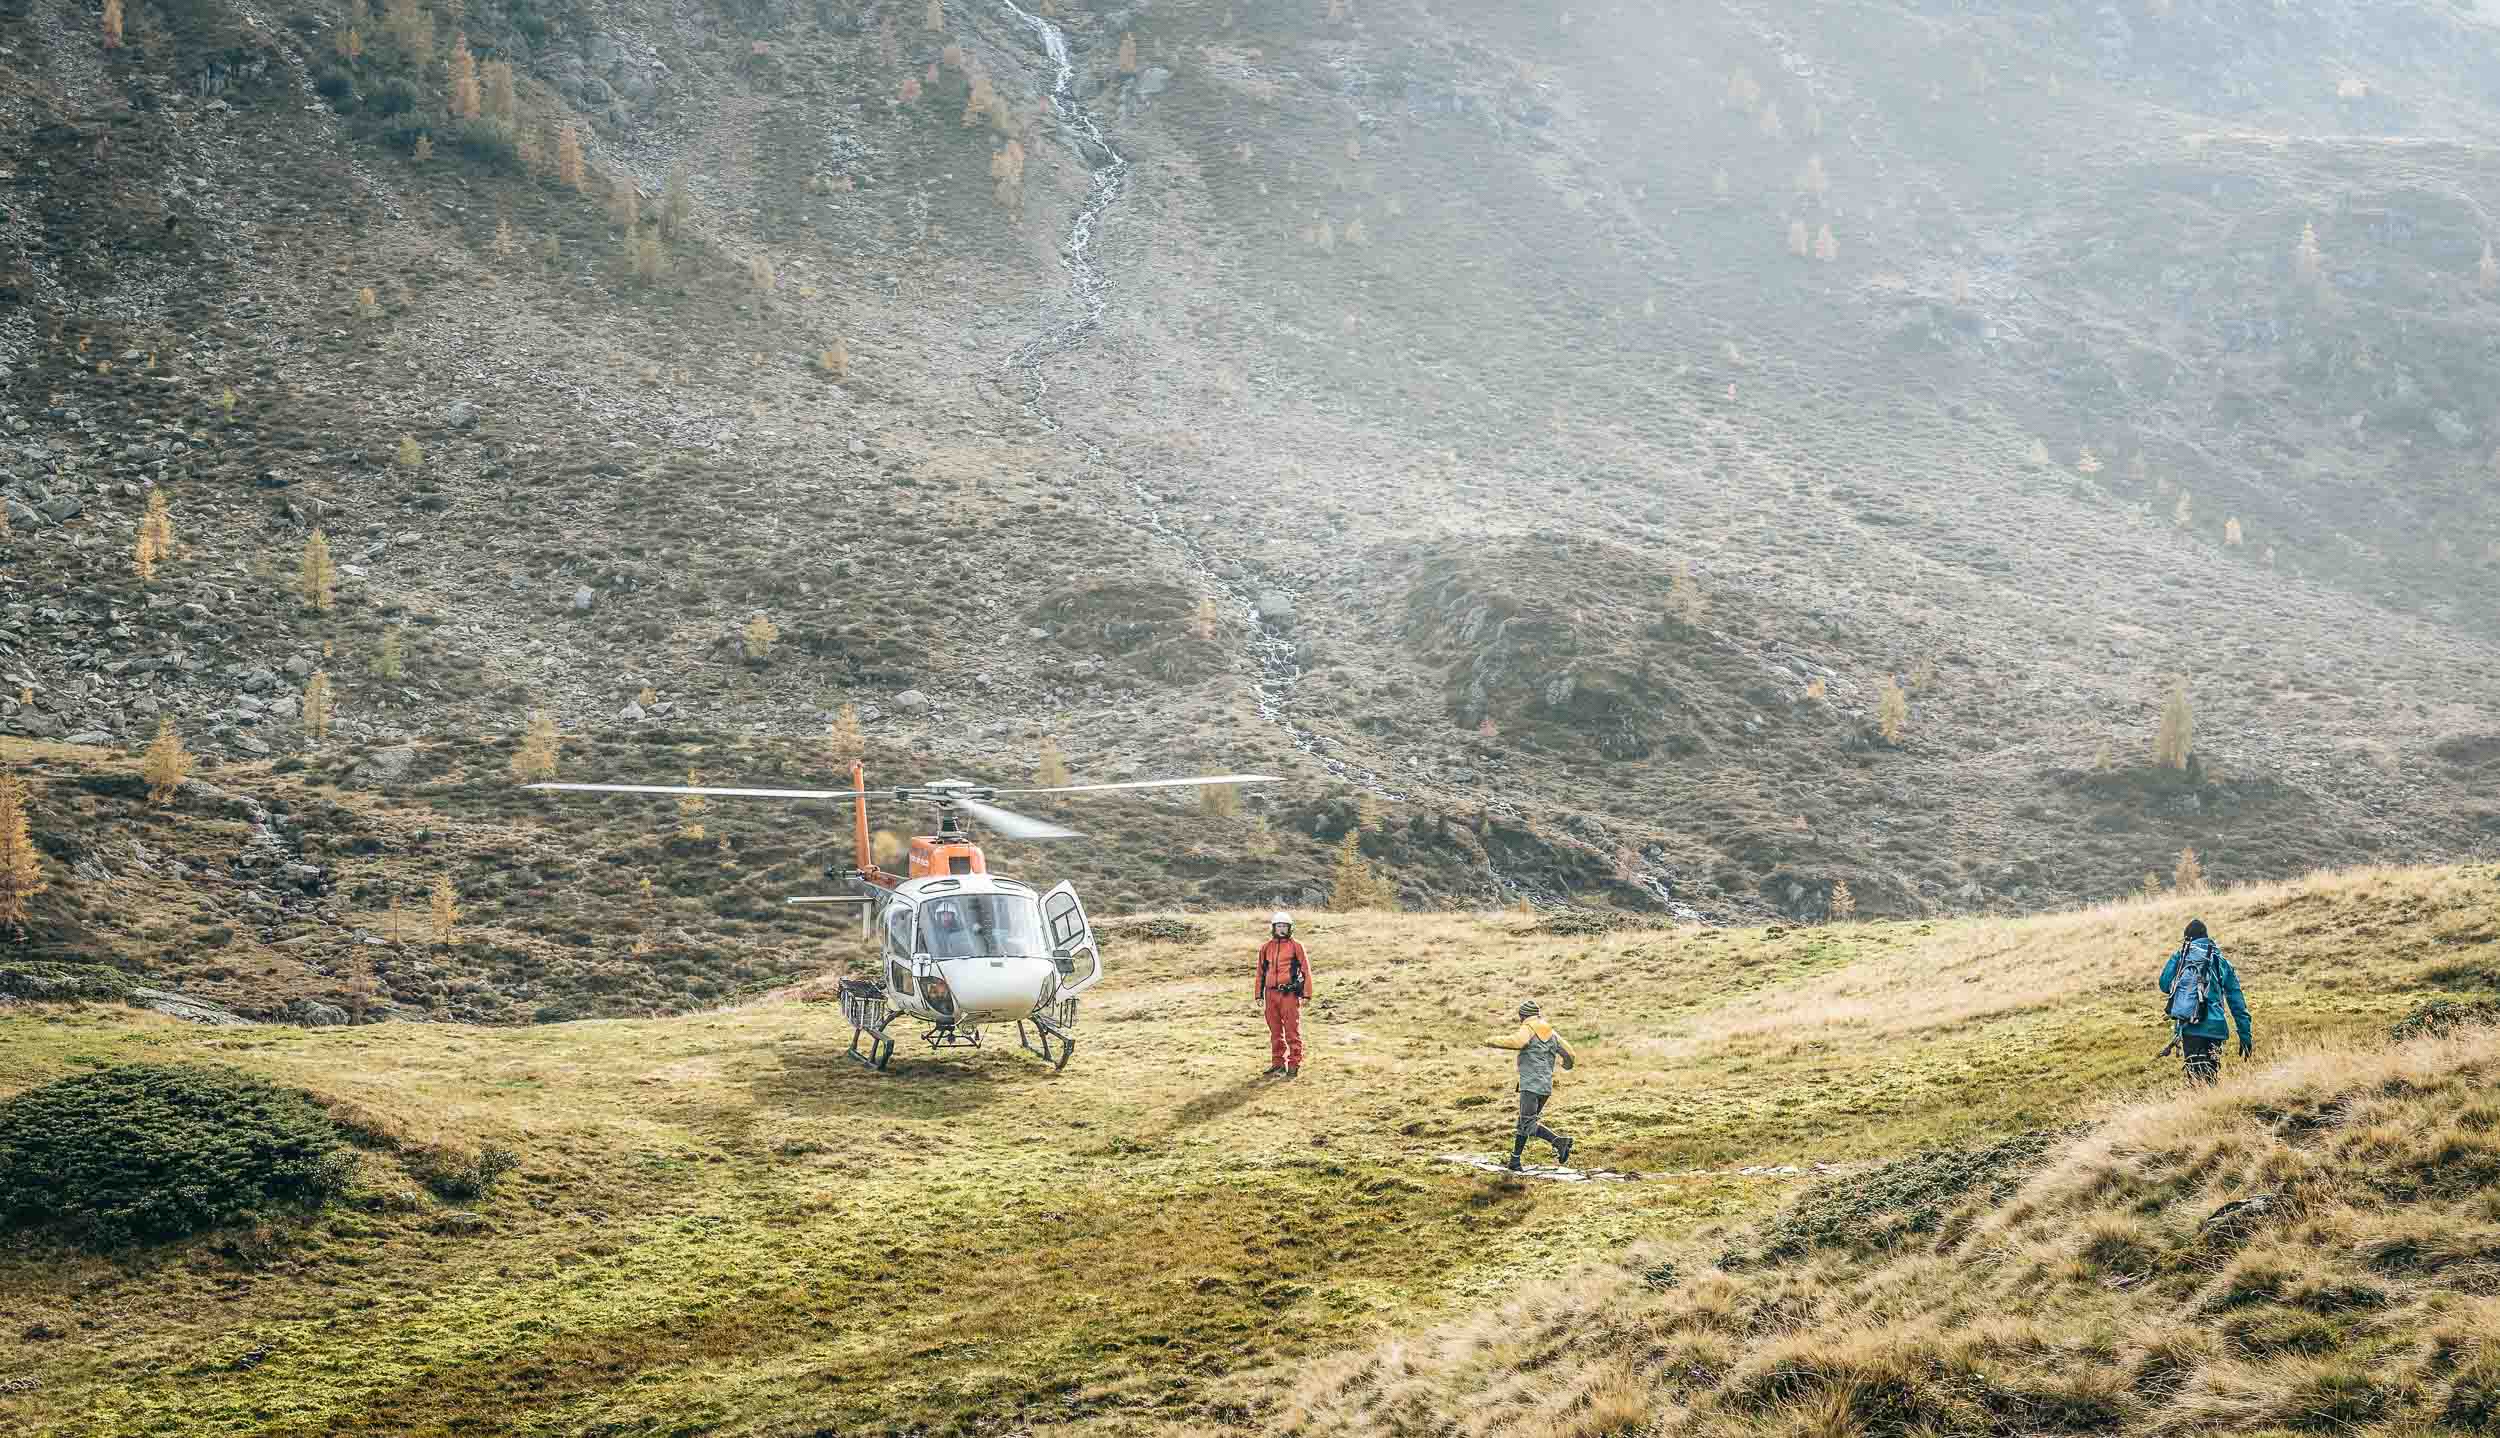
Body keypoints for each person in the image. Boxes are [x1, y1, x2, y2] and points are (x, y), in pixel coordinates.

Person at [1487, 1001, 1576, 1171]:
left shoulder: (1528, 1028)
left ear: (1523, 1015)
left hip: (1530, 1085)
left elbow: (1517, 1042)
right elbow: (1570, 1052)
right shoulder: (1550, 1031)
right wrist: (1567, 1064)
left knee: (1527, 1124)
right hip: (1545, 1086)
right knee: (1524, 1123)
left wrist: (1491, 1041)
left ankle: (1559, 1142)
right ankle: (1515, 1160)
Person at [2160, 918, 2251, 1084]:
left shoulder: (2181, 957)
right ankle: (2211, 1104)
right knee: (2209, 1073)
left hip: (2190, 1027)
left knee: (2196, 1077)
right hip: (2215, 1029)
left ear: (2187, 939)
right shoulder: (2220, 961)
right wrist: (2245, 1034)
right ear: (2207, 937)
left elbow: (2164, 985)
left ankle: (2203, 1104)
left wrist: (2177, 957)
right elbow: (2237, 1001)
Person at [1255, 911, 1312, 1078]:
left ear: (1290, 928)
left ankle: (1294, 1063)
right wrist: (1258, 994)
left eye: (1284, 926)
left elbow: (1306, 970)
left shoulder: (1296, 946)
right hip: (1270, 994)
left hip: (1289, 994)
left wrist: (1306, 994)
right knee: (1275, 1031)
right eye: (1278, 926)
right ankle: (1277, 1063)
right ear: (1273, 928)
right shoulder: (1266, 948)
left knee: (1291, 1030)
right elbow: (1260, 972)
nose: (1281, 929)